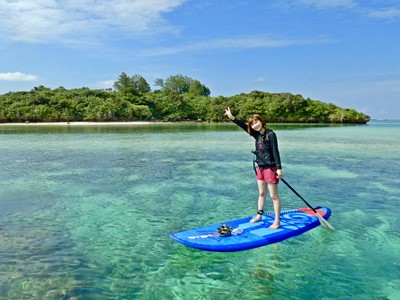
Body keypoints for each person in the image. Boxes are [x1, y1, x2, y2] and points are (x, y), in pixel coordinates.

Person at [224, 107, 283, 229]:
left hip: (270, 167)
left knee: (274, 196)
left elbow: (275, 151)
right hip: (260, 167)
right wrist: (232, 118)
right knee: (261, 193)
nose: (255, 125)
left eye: (256, 122)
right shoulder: (256, 135)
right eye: (252, 124)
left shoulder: (270, 134)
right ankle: (259, 215)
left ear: (261, 121)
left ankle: (277, 221)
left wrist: (279, 168)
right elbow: (244, 126)